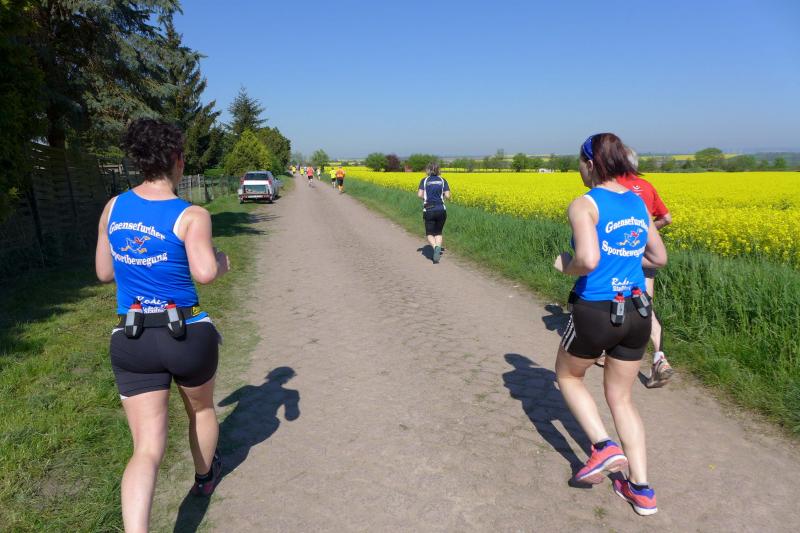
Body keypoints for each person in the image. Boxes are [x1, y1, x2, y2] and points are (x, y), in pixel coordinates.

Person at [95, 118, 230, 532]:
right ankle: (204, 478)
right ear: (177, 160)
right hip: (185, 333)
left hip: (132, 336)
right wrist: (222, 262)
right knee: (201, 409)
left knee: (146, 449)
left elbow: (103, 272)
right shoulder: (191, 214)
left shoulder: (113, 207)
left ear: (139, 161)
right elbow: (205, 272)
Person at [553, 133, 667, 516]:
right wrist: (628, 259)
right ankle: (642, 490)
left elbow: (587, 259)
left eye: (579, 162)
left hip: (597, 310)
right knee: (622, 398)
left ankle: (603, 447)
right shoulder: (637, 202)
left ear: (590, 163)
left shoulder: (585, 204)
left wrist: (565, 265)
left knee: (568, 376)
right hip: (638, 311)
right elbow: (659, 257)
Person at [618, 147, 674, 388]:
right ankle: (660, 359)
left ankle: (603, 352)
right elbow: (667, 218)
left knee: (612, 299)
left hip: (620, 255)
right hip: (646, 255)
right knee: (644, 305)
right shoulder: (647, 186)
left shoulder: (613, 187)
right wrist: (646, 233)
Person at [417, 162, 451, 264]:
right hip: (441, 209)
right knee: (438, 232)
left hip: (428, 208)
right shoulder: (443, 180)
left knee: (429, 233)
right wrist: (441, 196)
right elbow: (448, 196)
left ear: (428, 170)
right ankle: (438, 249)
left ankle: (435, 247)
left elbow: (419, 195)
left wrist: (426, 198)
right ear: (438, 170)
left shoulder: (424, 180)